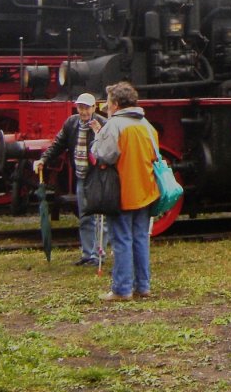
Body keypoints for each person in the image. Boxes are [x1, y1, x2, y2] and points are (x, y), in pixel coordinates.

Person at [90, 81, 160, 302]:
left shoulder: (115, 125)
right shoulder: (147, 126)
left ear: (117, 104)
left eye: (108, 102)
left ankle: (122, 289)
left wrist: (97, 138)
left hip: (122, 191)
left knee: (121, 240)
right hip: (146, 190)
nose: (106, 106)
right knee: (140, 239)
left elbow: (105, 155)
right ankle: (143, 286)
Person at [32, 93, 107, 266]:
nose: (83, 111)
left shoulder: (103, 124)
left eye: (87, 107)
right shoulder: (71, 123)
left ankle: (99, 254)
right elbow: (58, 144)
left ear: (94, 108)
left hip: (97, 177)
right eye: (81, 107)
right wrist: (44, 159)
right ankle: (88, 254)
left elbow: (107, 150)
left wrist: (98, 133)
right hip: (81, 175)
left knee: (100, 217)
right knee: (84, 216)